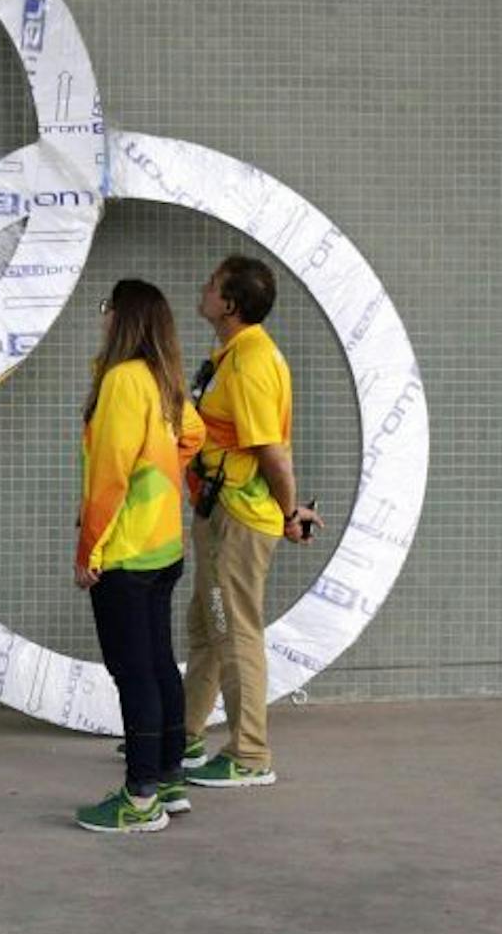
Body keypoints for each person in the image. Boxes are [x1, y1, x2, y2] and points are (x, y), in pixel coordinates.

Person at [183, 255, 323, 788]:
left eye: (212, 285)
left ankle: (249, 753)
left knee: (234, 631)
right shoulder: (231, 354)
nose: (203, 289)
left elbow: (272, 452)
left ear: (230, 305)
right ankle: (188, 735)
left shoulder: (251, 364)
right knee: (207, 625)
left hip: (239, 519)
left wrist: (289, 514)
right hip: (218, 510)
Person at [75, 279, 206, 834]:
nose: (101, 317)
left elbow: (108, 477)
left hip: (125, 553)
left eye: (106, 309)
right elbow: (195, 435)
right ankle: (169, 777)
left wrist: (89, 550)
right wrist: (163, 470)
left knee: (134, 673)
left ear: (121, 318)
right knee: (155, 664)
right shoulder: (163, 378)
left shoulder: (124, 381)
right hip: (163, 546)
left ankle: (140, 797)